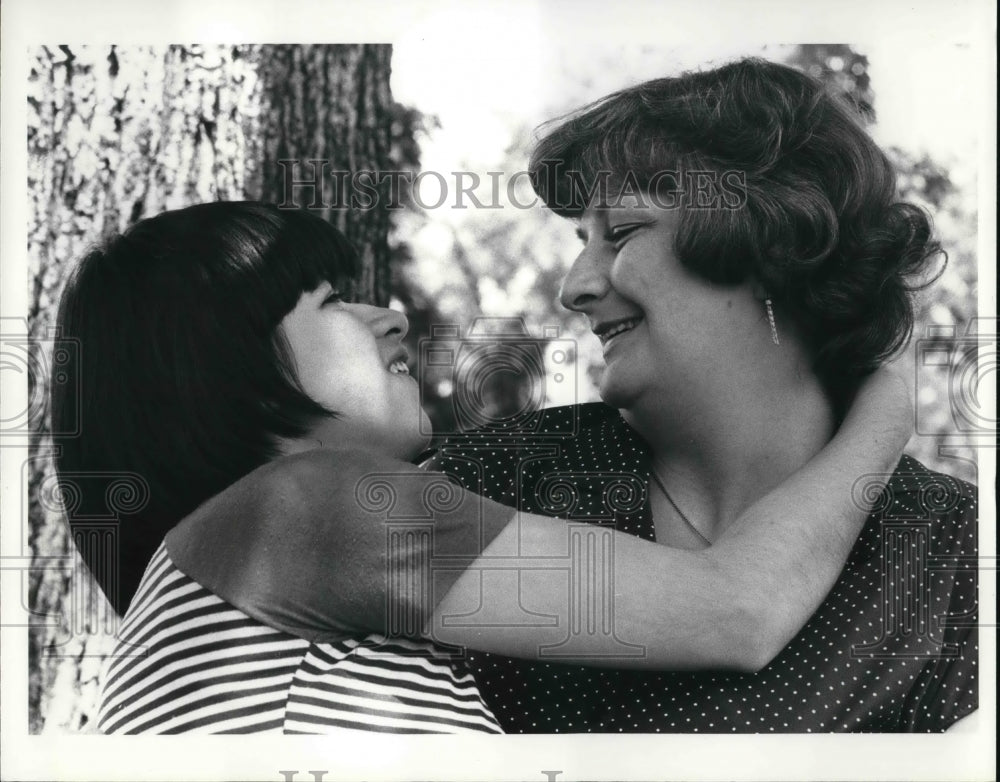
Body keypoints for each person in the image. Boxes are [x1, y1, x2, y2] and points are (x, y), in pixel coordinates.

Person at [53, 201, 911, 735]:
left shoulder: (223, 581)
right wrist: (888, 406)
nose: (387, 315)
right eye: (329, 303)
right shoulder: (313, 509)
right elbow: (736, 611)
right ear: (222, 369)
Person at [428, 57, 977, 732]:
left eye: (622, 233)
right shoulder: (495, 478)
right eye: (581, 242)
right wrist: (886, 413)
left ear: (770, 243)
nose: (573, 288)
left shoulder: (953, 548)